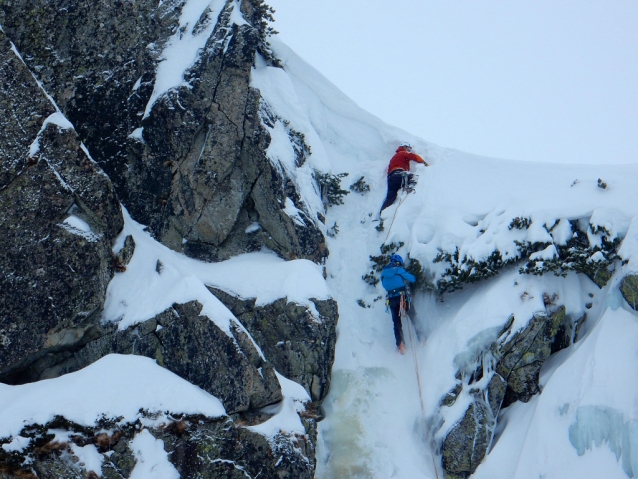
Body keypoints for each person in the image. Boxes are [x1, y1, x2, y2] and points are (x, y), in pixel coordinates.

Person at [381, 254, 416, 354]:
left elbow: (384, 285)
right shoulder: (398, 270)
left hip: (391, 299)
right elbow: (412, 279)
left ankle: (400, 344)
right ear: (398, 263)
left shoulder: (383, 272)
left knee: (396, 323)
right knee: (412, 315)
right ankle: (422, 337)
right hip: (402, 297)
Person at [380, 142, 428, 213]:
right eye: (408, 148)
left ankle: (382, 213)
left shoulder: (395, 156)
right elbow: (413, 156)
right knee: (412, 176)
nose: (409, 150)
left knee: (390, 198)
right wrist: (424, 163)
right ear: (404, 147)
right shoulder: (402, 153)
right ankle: (410, 188)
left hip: (391, 178)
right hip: (398, 173)